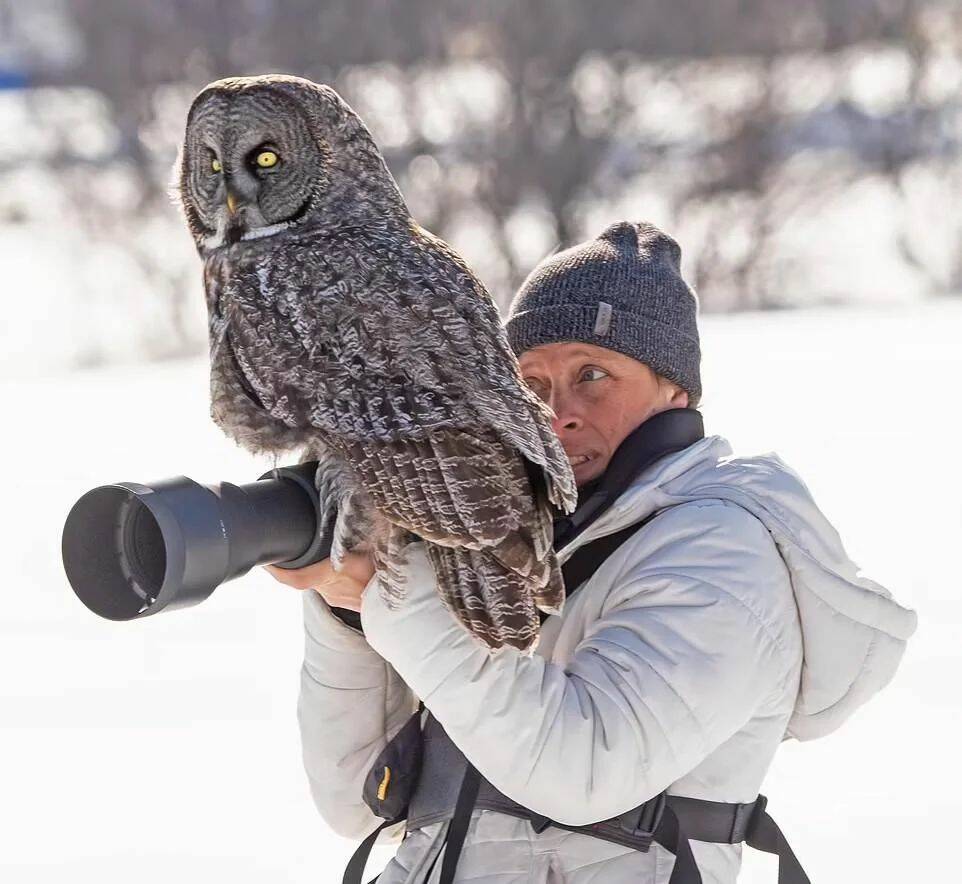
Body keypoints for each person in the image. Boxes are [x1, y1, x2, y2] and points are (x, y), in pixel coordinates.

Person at [266, 221, 916, 883]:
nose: (556, 413)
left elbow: (584, 766)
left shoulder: (725, 551)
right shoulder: (508, 544)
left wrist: (394, 594)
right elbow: (356, 803)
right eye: (532, 385)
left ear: (676, 391)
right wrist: (350, 611)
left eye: (592, 375)